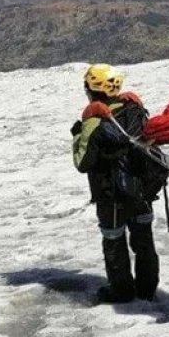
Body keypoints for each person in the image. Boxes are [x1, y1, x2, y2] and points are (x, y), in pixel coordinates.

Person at [70, 64, 160, 303]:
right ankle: (147, 290)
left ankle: (121, 292)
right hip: (142, 192)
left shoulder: (94, 121)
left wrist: (78, 133)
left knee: (114, 242)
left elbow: (83, 162)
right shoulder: (136, 110)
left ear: (91, 89)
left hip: (112, 196)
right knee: (144, 240)